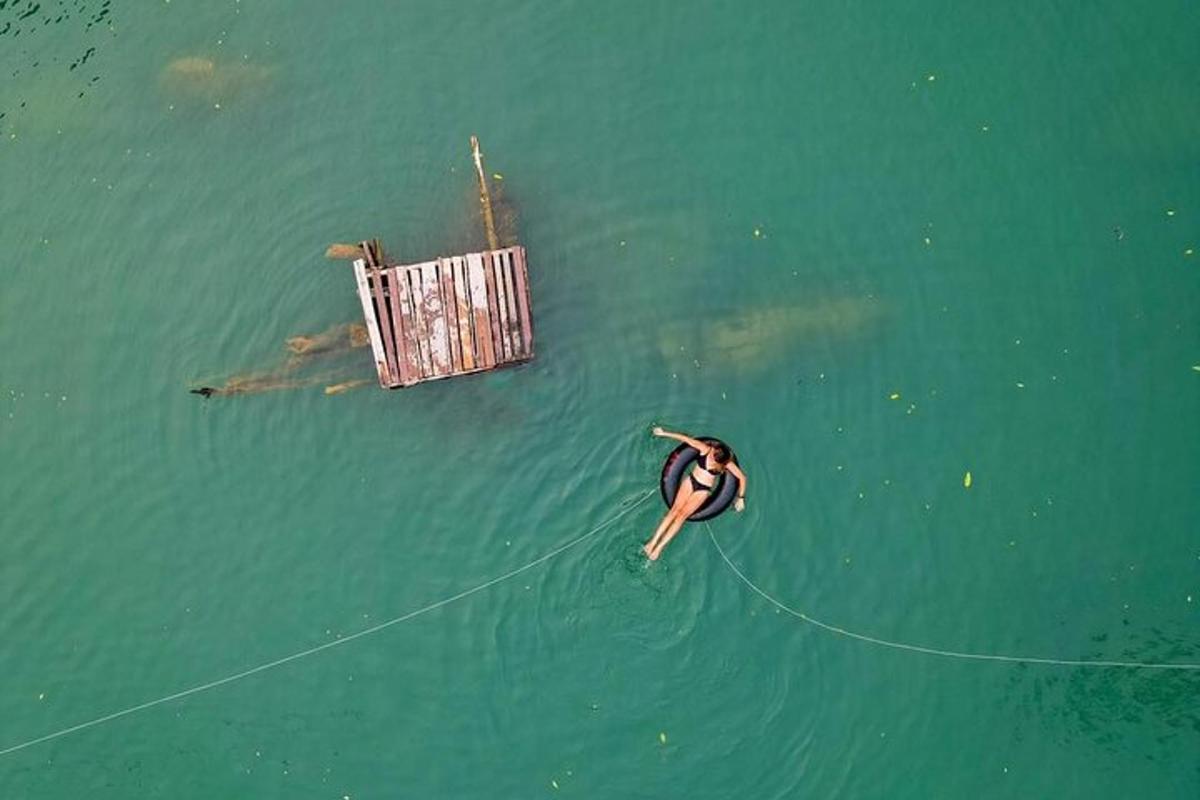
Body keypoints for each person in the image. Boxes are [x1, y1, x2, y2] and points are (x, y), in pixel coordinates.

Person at [644, 426, 746, 561]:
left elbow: (742, 478)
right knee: (673, 511)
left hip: (702, 490)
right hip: (691, 481)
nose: (712, 455)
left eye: (714, 457)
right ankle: (652, 542)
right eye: (714, 452)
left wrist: (741, 498)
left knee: (681, 516)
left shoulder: (726, 464)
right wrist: (663, 433)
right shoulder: (706, 449)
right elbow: (686, 439)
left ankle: (659, 548)